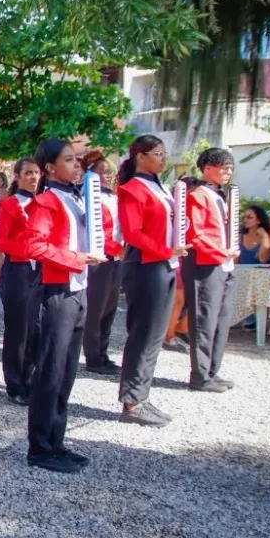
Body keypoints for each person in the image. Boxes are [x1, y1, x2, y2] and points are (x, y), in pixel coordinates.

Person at [25, 138, 104, 474]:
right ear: (50, 168)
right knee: (50, 371)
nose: (77, 165)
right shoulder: (45, 201)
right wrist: (75, 259)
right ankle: (40, 446)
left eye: (78, 159)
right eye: (69, 160)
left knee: (67, 371)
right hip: (57, 291)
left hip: (78, 289)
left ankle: (56, 441)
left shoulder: (78, 199)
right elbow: (34, 245)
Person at [116, 136, 186, 426]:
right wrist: (166, 250)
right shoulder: (132, 189)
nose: (163, 158)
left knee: (156, 335)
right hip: (146, 266)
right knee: (143, 334)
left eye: (164, 153)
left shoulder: (158, 186)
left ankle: (141, 395)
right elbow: (133, 233)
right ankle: (131, 402)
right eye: (157, 153)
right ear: (140, 157)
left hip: (164, 264)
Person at [183, 147, 238, 393]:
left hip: (224, 263)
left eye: (230, 168)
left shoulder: (220, 195)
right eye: (223, 167)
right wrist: (221, 252)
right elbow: (195, 233)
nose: (228, 172)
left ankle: (212, 370)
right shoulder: (197, 194)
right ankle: (200, 374)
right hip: (206, 263)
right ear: (207, 168)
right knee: (204, 320)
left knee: (221, 320)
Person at [0, 156, 41, 406]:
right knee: (18, 331)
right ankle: (14, 384)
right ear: (17, 176)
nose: (33, 177)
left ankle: (31, 378)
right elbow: (0, 241)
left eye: (37, 173)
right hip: (19, 271)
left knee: (36, 328)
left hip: (40, 272)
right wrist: (30, 248)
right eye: (29, 173)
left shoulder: (44, 202)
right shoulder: (10, 205)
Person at [81, 150, 125, 375]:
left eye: (110, 172)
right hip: (100, 258)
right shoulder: (90, 197)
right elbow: (97, 231)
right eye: (102, 172)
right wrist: (118, 249)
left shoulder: (114, 196)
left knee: (109, 309)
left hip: (116, 258)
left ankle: (103, 353)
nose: (107, 176)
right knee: (95, 310)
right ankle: (93, 357)